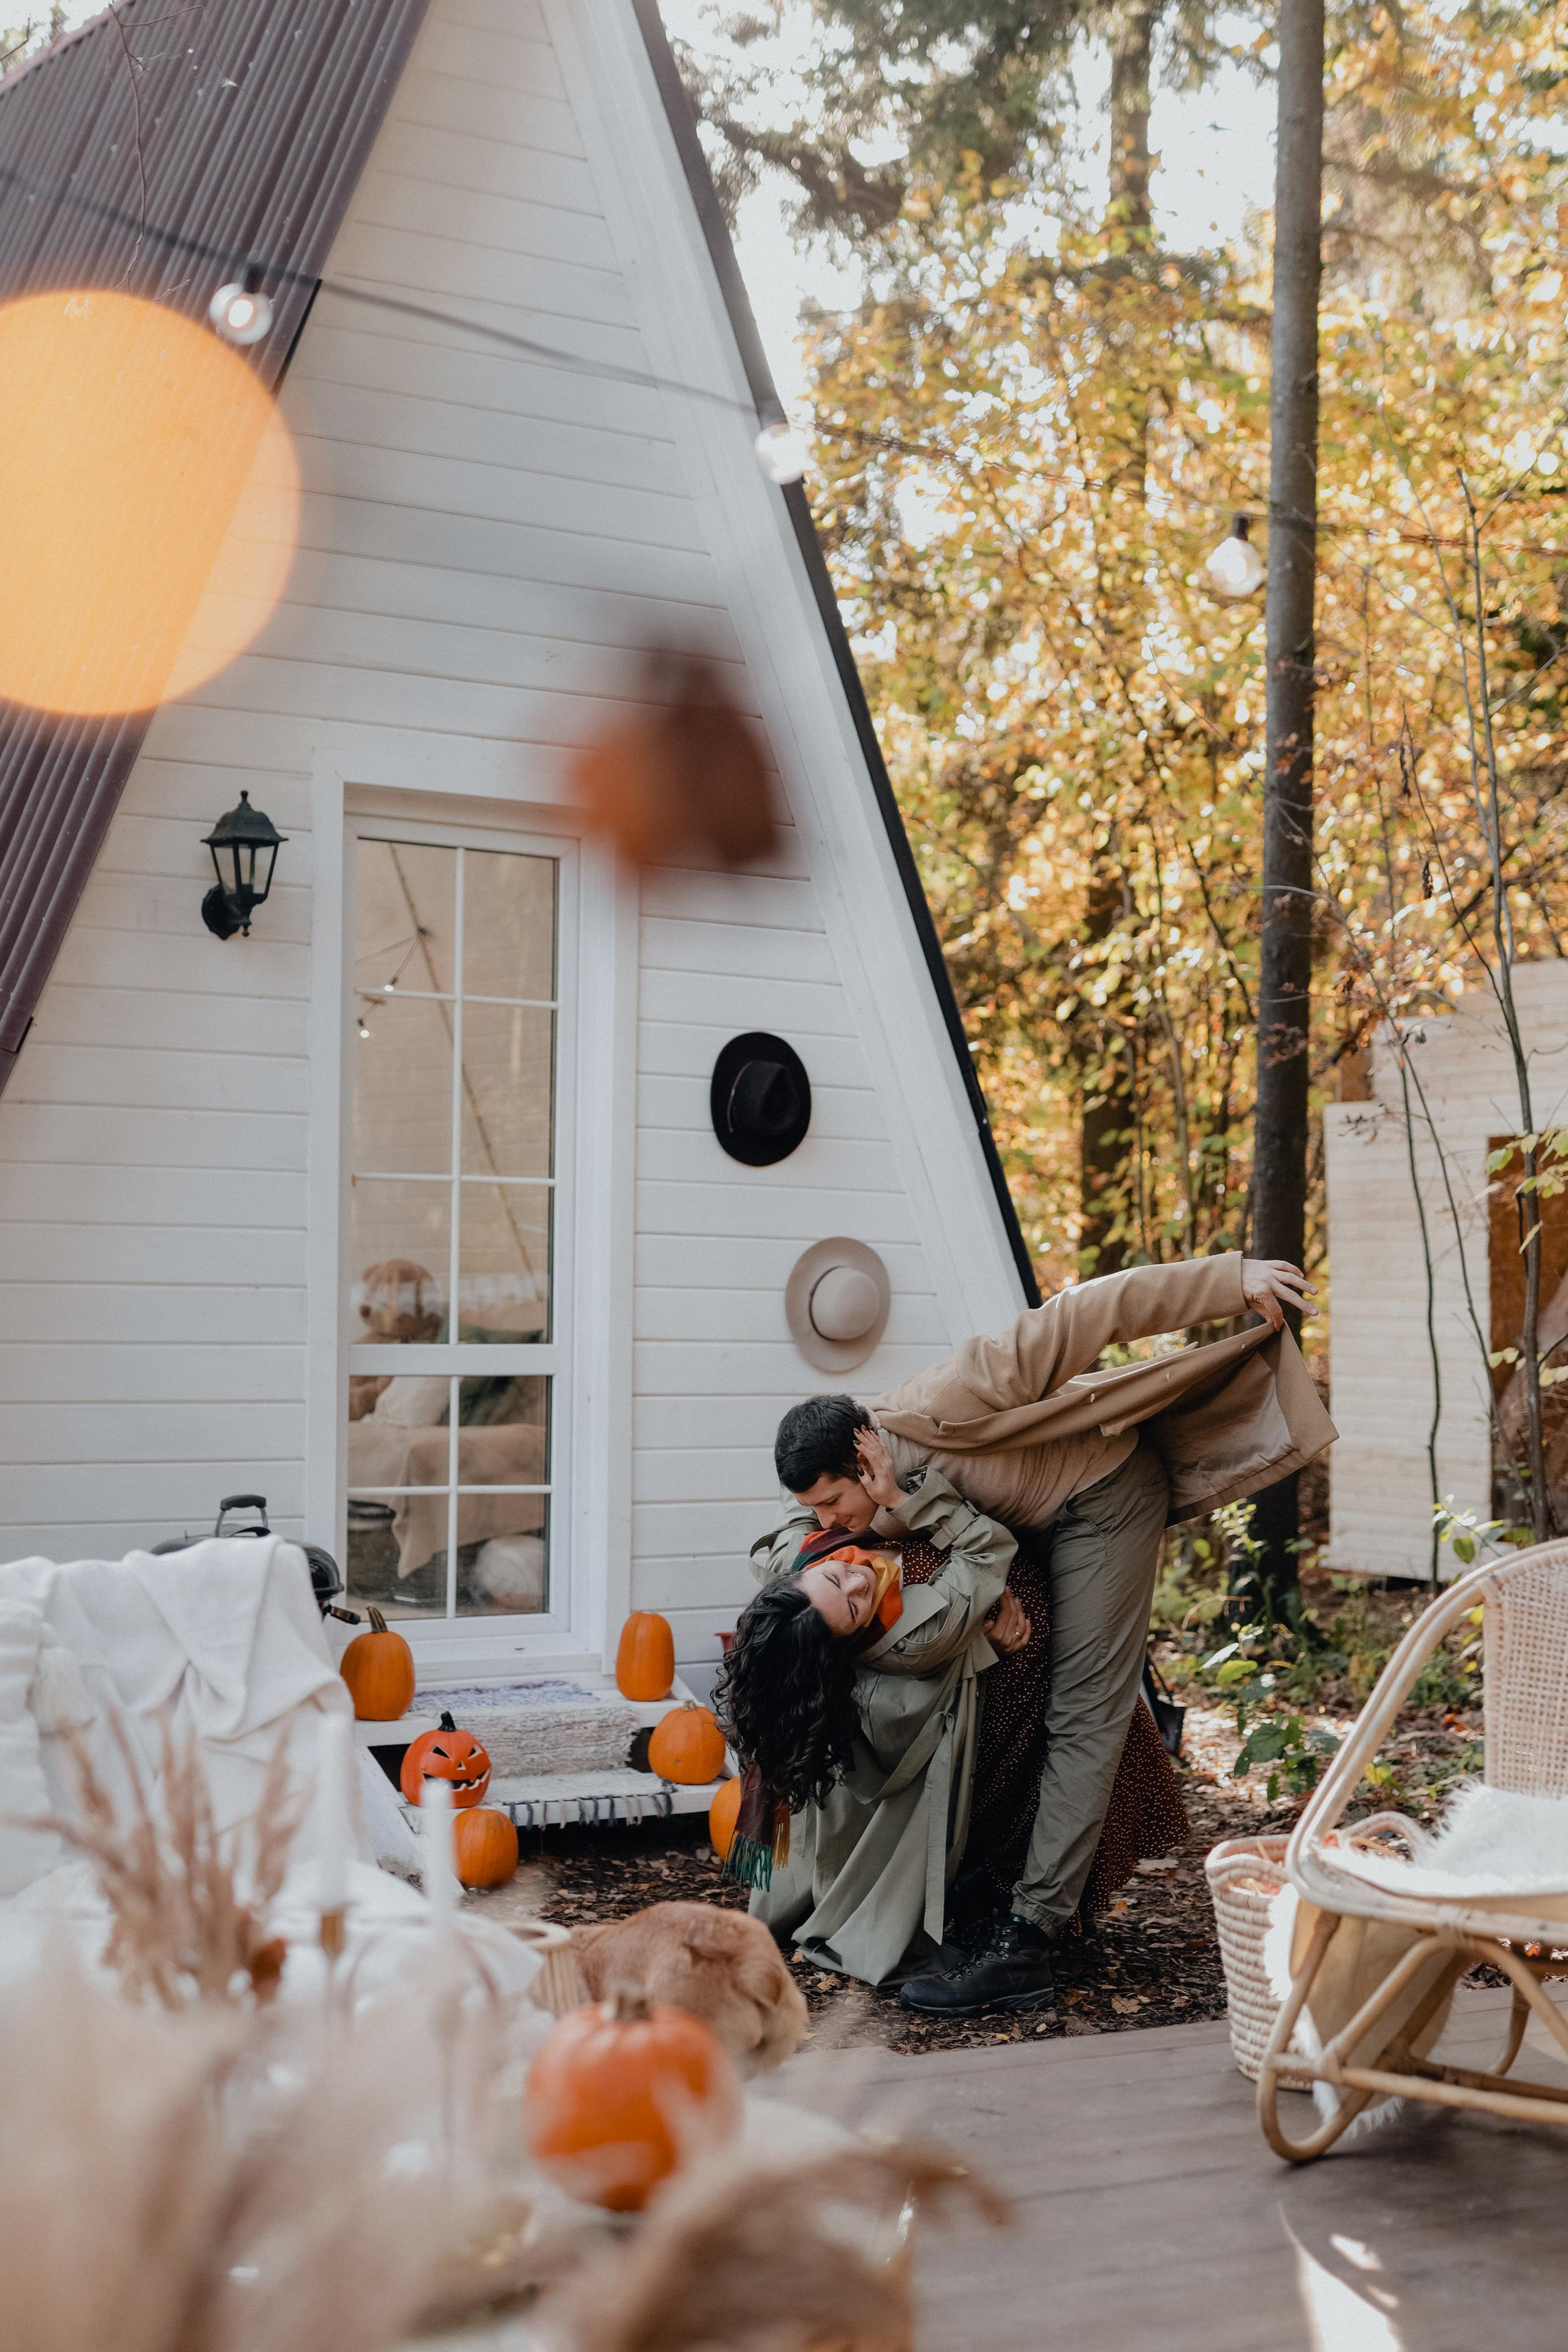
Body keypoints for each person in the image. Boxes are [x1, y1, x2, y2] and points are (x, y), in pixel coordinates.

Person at [751, 1249, 1330, 2015]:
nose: (825, 1526)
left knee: (1083, 1710)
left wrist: (1226, 1282)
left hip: (1102, 1499)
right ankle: (988, 1877)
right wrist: (985, 1589)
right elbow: (799, 1541)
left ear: (865, 1457)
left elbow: (1081, 1314)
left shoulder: (952, 1395)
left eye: (831, 1504)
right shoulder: (850, 1492)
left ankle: (1030, 1935)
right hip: (1020, 1523)